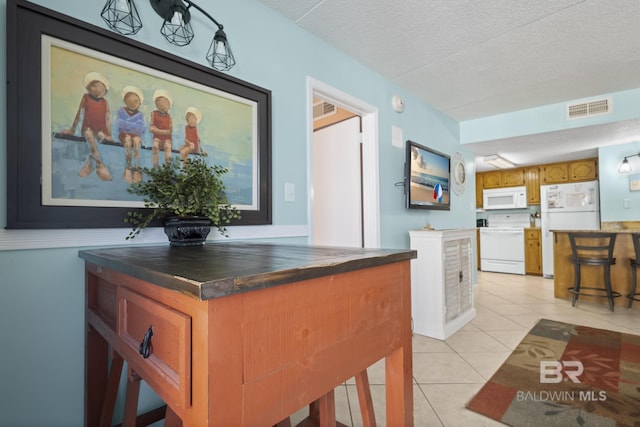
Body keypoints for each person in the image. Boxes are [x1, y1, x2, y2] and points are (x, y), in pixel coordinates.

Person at [61, 71, 113, 181]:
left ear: (105, 89)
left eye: (99, 86)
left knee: (98, 138)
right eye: (92, 86)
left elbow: (108, 119)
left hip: (100, 130)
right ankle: (99, 164)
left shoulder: (105, 102)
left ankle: (90, 161)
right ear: (89, 88)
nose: (96, 89)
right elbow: (80, 113)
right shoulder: (86, 97)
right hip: (87, 128)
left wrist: (109, 134)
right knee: (89, 134)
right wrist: (72, 129)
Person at [116, 85, 145, 183]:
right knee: (128, 139)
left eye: (135, 101)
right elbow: (121, 126)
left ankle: (137, 167)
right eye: (129, 101)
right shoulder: (121, 111)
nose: (132, 104)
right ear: (125, 101)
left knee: (136, 140)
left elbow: (140, 128)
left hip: (136, 136)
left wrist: (128, 124)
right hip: (124, 135)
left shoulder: (140, 115)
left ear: (139, 102)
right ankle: (128, 167)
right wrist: (132, 126)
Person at [149, 89, 173, 167]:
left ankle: (167, 168)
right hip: (157, 138)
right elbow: (151, 127)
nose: (163, 105)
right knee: (155, 147)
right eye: (160, 102)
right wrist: (160, 131)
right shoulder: (154, 114)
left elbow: (170, 131)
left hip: (167, 139)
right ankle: (155, 166)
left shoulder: (169, 117)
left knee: (168, 148)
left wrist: (158, 131)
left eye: (165, 103)